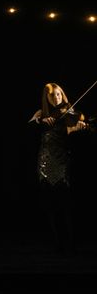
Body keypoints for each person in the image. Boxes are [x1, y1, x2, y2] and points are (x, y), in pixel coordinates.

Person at [30, 82, 88, 252]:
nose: (55, 97)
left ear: (62, 95)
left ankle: (70, 242)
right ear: (46, 98)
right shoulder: (41, 114)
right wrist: (40, 120)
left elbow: (71, 129)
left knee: (66, 203)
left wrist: (79, 127)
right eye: (51, 95)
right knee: (50, 204)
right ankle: (57, 242)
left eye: (58, 94)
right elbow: (29, 127)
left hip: (62, 161)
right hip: (44, 163)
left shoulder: (69, 112)